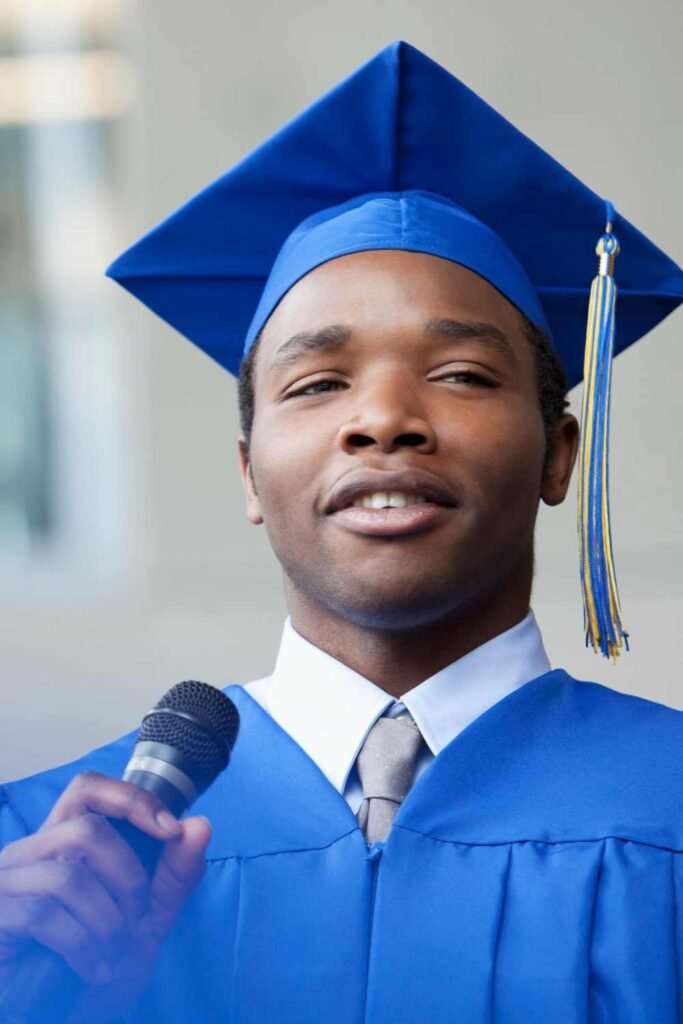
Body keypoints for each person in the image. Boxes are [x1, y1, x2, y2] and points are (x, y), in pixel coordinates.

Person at [1, 41, 683, 1024]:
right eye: (317, 385)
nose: (381, 419)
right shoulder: (42, 867)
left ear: (556, 454)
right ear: (247, 472)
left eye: (459, 374)